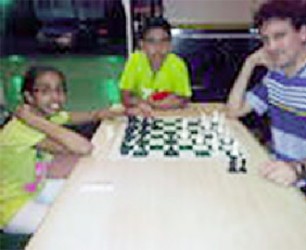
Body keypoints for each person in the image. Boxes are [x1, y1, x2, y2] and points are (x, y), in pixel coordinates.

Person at [226, 1, 306, 220]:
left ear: (303, 33)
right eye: (265, 39)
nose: (271, 47)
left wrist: (297, 170)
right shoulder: (275, 76)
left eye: (279, 36)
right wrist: (249, 63)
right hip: (279, 174)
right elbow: (234, 110)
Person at [0, 66, 133, 234]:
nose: (55, 97)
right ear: (29, 97)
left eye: (59, 90)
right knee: (74, 223)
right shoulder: (22, 129)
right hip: (13, 207)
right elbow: (83, 148)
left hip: (36, 189)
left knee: (88, 189)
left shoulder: (46, 116)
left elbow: (74, 116)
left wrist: (101, 113)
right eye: (45, 91)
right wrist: (30, 118)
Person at [119, 16, 192, 112]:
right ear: (142, 45)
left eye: (164, 41)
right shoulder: (134, 61)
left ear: (170, 45)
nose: (158, 47)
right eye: (151, 41)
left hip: (169, 115)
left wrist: (159, 104)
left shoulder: (178, 64)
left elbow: (185, 99)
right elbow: (125, 97)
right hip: (141, 114)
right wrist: (145, 104)